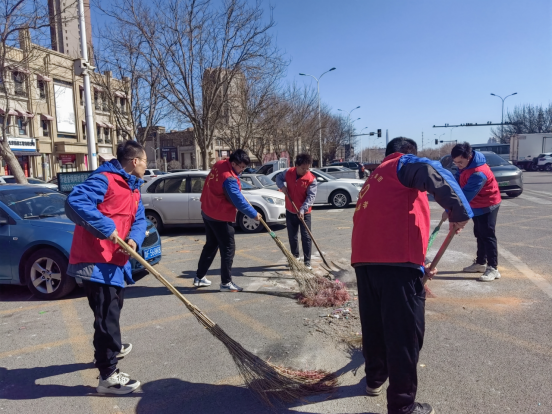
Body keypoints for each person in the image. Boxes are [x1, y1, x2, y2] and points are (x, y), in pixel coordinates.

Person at [351, 137, 473, 414]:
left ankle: (374, 379)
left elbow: (388, 221)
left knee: (375, 328)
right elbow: (432, 171)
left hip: (366, 264)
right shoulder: (402, 163)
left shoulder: (374, 179)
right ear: (407, 153)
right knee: (404, 337)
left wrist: (419, 265)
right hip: (396, 266)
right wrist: (459, 210)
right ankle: (403, 406)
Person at [65, 140, 147, 395]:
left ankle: (110, 348)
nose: (146, 166)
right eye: (145, 161)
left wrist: (133, 239)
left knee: (113, 309)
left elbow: (139, 219)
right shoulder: (104, 180)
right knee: (106, 317)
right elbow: (75, 201)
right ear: (135, 161)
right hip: (96, 261)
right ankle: (108, 376)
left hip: (116, 262)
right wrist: (106, 228)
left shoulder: (133, 187)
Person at [195, 149, 262, 292]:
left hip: (207, 210)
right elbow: (237, 200)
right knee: (228, 248)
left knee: (211, 245)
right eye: (241, 167)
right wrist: (253, 214)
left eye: (244, 167)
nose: (242, 170)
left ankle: (199, 277)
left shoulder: (220, 164)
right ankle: (226, 282)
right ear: (233, 163)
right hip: (219, 215)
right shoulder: (229, 178)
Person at [445, 142, 502, 281]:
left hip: (488, 204)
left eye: (460, 162)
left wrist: (450, 211)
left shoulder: (478, 173)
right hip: (475, 204)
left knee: (487, 235)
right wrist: (449, 208)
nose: (458, 165)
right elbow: (457, 186)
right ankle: (480, 263)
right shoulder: (465, 166)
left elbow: (464, 197)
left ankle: (493, 268)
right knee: (479, 233)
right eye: (455, 162)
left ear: (469, 157)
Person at [275, 153, 318, 269]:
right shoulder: (288, 172)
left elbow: (311, 197)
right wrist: (282, 187)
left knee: (306, 236)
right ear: (297, 166)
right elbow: (278, 178)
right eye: (303, 168)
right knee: (292, 236)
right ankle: (295, 258)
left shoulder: (311, 179)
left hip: (305, 213)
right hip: (290, 210)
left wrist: (303, 209)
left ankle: (307, 262)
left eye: (308, 168)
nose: (306, 171)